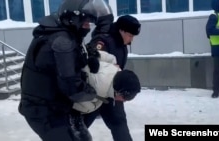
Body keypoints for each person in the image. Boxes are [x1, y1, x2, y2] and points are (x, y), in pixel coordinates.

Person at [18, 0, 111, 141]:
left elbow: (72, 58)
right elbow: (71, 86)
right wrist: (93, 93)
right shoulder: (62, 42)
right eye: (85, 23)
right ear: (73, 19)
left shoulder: (63, 33)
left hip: (56, 104)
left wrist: (90, 56)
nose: (87, 28)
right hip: (43, 110)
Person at [84, 14, 141, 141]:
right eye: (130, 35)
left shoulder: (121, 43)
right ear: (122, 30)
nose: (131, 40)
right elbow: (91, 60)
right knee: (80, 126)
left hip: (114, 93)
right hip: (95, 93)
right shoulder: (103, 41)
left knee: (119, 124)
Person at [73, 50, 141, 114]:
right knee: (90, 107)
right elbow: (80, 100)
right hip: (70, 84)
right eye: (127, 97)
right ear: (119, 92)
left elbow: (108, 57)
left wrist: (94, 54)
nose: (125, 101)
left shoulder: (113, 64)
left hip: (73, 63)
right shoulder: (99, 90)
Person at [206, 0, 219, 98]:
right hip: (218, 49)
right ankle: (216, 91)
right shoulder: (214, 16)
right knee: (217, 71)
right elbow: (209, 30)